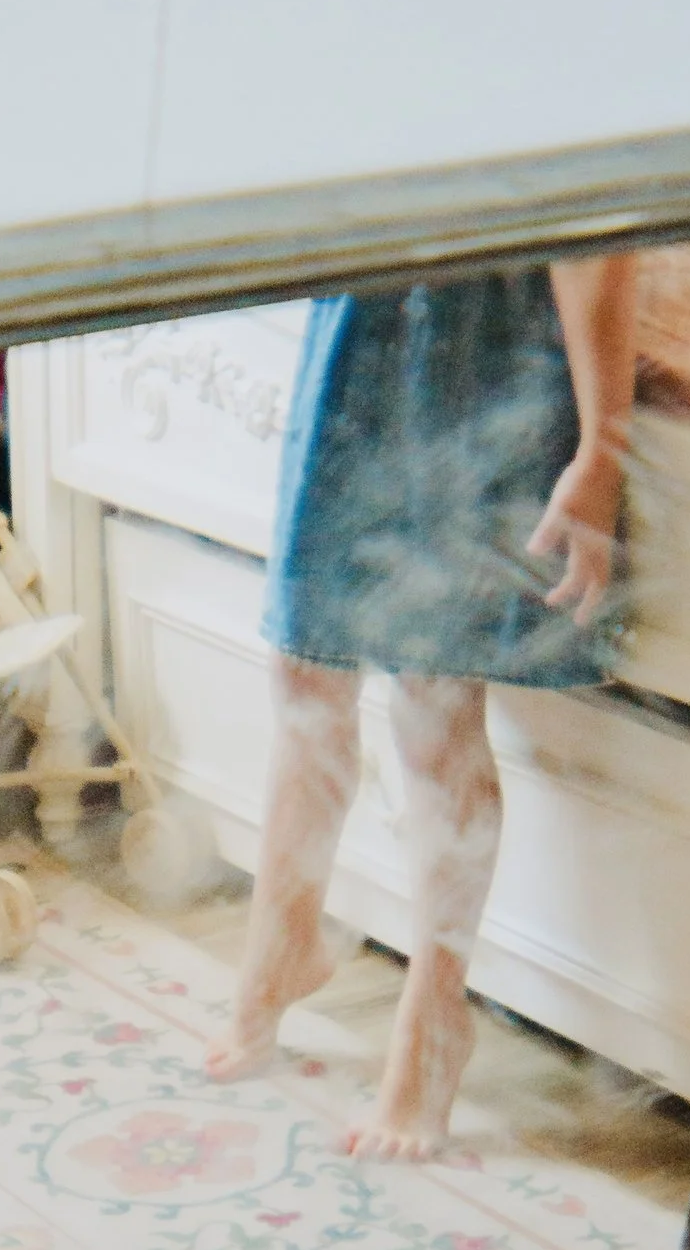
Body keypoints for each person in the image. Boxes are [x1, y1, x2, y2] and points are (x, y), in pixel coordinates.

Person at [206, 258, 638, 1156]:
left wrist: (602, 447)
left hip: (481, 352)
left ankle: (436, 1015)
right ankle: (286, 936)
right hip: (359, 320)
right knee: (305, 665)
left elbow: (600, 241)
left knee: (432, 702)